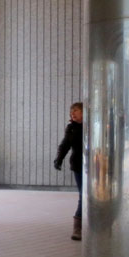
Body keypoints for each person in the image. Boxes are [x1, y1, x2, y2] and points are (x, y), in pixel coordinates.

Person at [53, 102, 83, 241]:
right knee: (83, 195)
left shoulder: (93, 125)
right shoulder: (71, 128)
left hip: (96, 165)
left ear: (84, 112)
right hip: (78, 165)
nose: (73, 114)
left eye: (76, 111)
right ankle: (77, 228)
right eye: (71, 111)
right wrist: (59, 159)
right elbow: (65, 144)